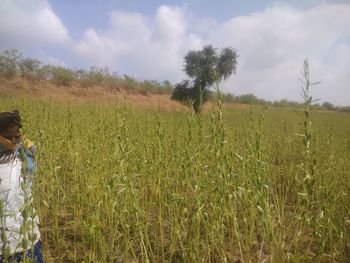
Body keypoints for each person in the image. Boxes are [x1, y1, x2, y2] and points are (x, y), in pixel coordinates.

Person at [0, 110, 43, 263]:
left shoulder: (25, 157)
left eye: (17, 136)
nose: (13, 140)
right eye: (7, 136)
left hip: (28, 238)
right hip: (3, 245)